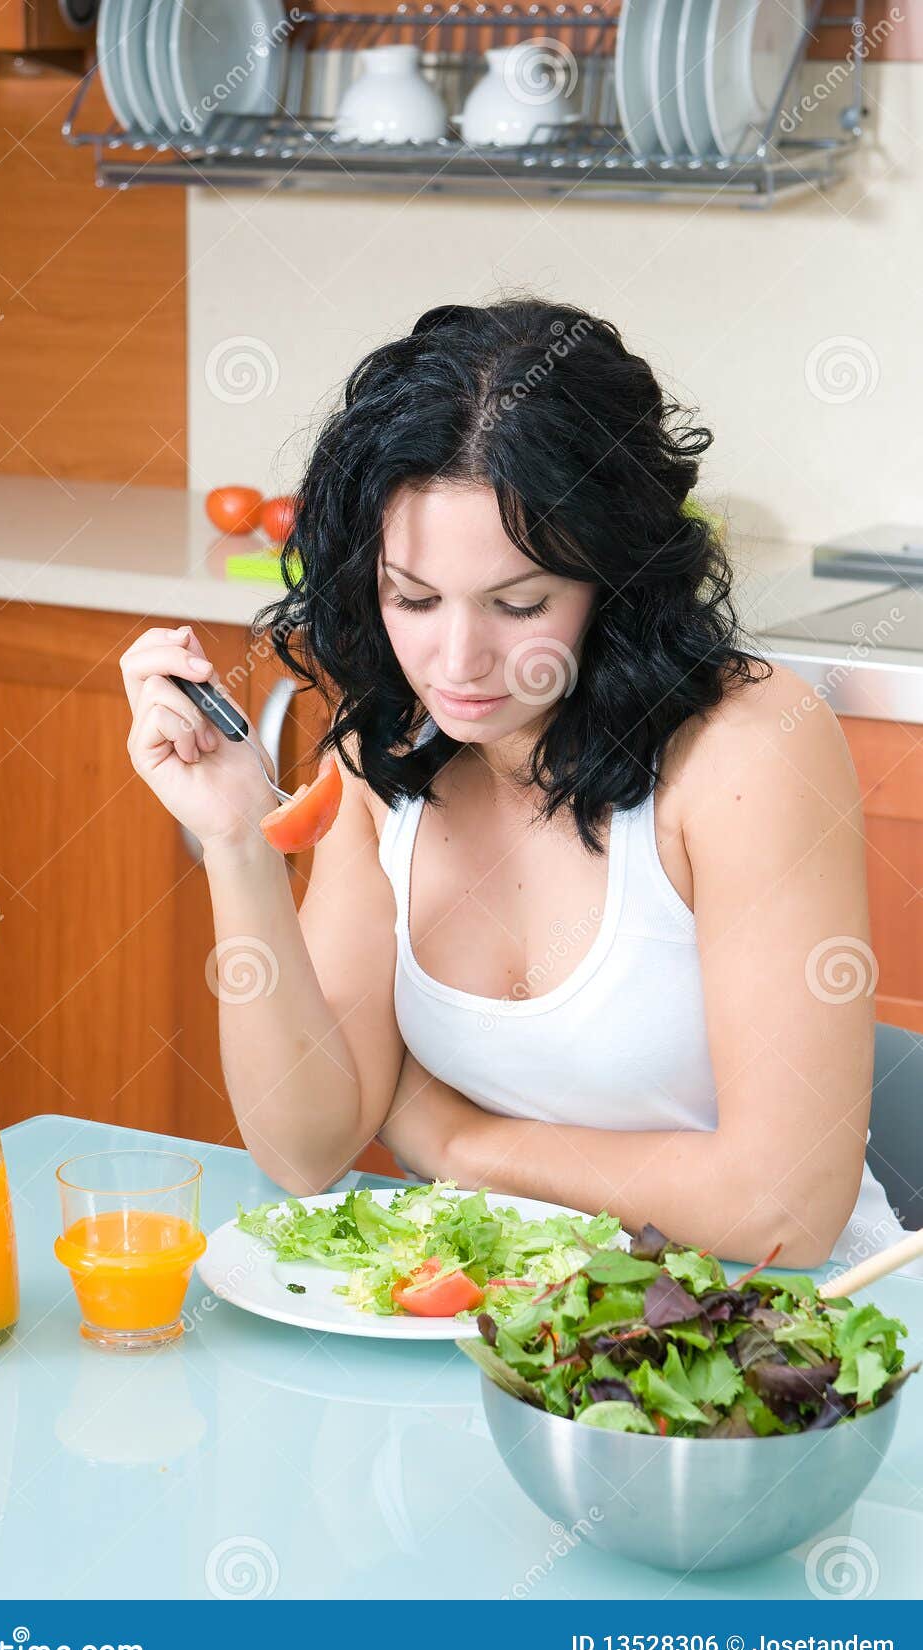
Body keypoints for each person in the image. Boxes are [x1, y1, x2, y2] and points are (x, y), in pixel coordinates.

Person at [120, 297, 911, 1272]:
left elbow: (782, 1211)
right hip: (508, 1322)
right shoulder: (388, 750)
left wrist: (458, 1145)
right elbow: (305, 1149)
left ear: (612, 583)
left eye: (519, 603)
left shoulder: (745, 749)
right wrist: (237, 843)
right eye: (413, 598)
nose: (457, 662)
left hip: (784, 1325)